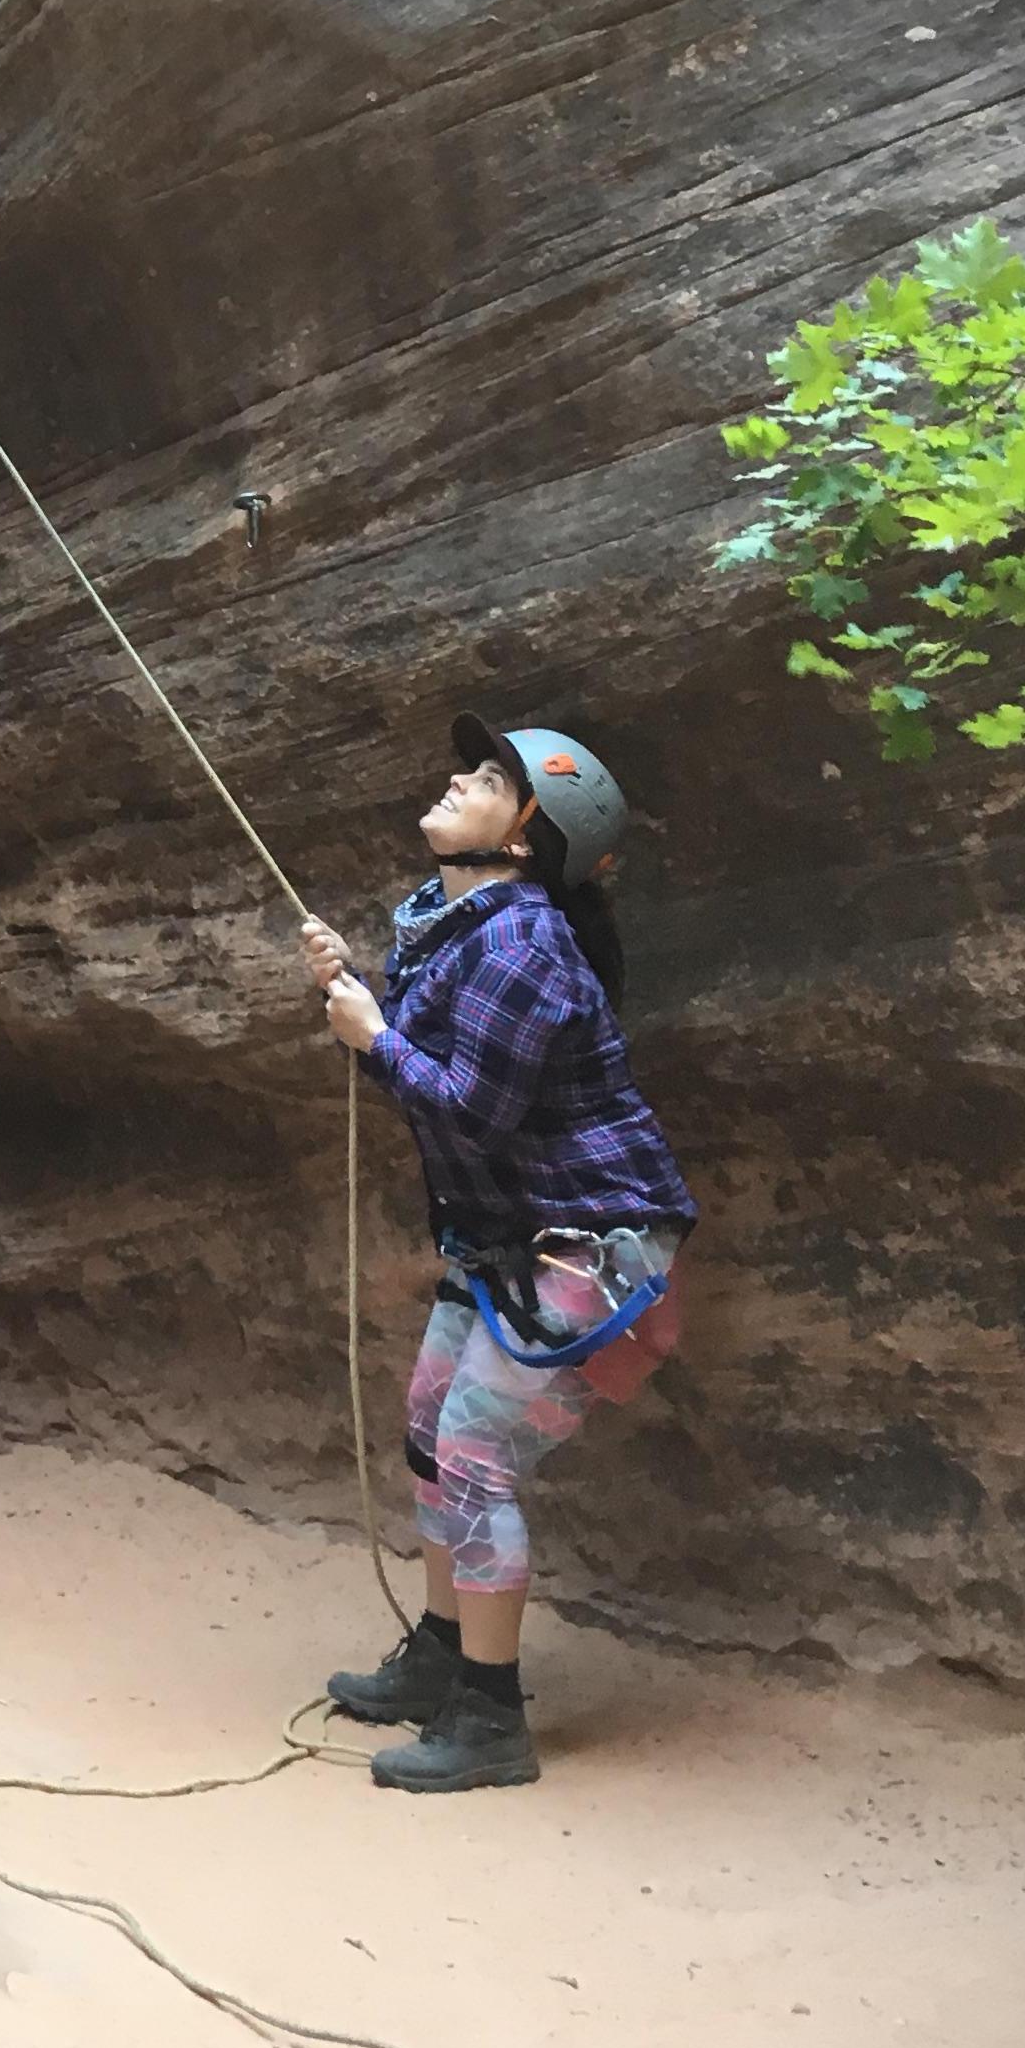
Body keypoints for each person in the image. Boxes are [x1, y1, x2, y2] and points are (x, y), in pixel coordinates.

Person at [296, 717, 701, 1793]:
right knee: (433, 1430)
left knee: (473, 1452)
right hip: (511, 1242)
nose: (456, 780)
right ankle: (442, 1657)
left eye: (487, 780)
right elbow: (435, 1036)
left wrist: (375, 1041)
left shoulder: (525, 945)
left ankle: (490, 1718)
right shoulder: (459, 921)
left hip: (592, 1245)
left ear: (525, 837)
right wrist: (360, 991)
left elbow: (474, 1109)